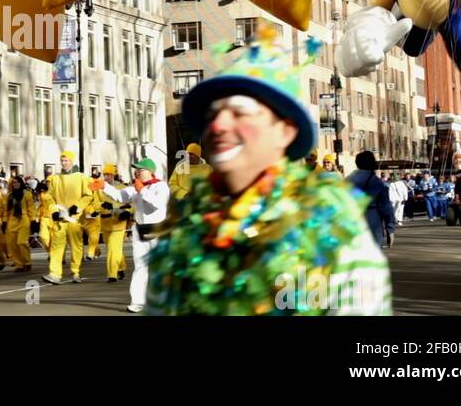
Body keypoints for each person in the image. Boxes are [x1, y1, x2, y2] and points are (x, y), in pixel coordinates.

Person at [147, 29, 391, 315]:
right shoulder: (186, 230)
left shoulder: (328, 230)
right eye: (213, 114)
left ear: (284, 131)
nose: (218, 125)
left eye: (240, 111)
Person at [102, 159, 169, 312]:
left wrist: (142, 191)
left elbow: (158, 204)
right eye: (136, 170)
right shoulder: (134, 187)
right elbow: (120, 196)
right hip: (140, 231)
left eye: (141, 169)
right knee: (140, 266)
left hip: (157, 230)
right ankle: (138, 301)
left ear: (151, 171)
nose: (137, 172)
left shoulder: (161, 186)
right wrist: (104, 186)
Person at [41, 151, 91, 285]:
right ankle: (55, 274)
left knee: (76, 246)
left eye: (66, 161)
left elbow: (88, 195)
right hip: (60, 218)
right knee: (56, 246)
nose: (64, 163)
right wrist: (53, 211)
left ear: (72, 162)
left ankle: (75, 272)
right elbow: (49, 197)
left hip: (75, 219)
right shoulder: (55, 179)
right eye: (62, 161)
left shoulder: (81, 177)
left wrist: (78, 207)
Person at [347, 152, 397, 249]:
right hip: (372, 221)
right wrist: (390, 229)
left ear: (357, 163)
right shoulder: (376, 182)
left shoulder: (346, 181)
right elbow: (386, 207)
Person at [97, 163, 131, 282]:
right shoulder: (99, 188)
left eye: (109, 174)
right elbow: (95, 203)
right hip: (105, 222)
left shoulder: (122, 188)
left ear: (114, 174)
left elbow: (129, 203)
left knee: (113, 248)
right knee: (113, 248)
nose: (106, 177)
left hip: (118, 222)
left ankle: (112, 274)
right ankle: (121, 266)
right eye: (105, 174)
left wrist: (125, 211)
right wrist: (99, 208)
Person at [4, 176, 35, 272]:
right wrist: (4, 222)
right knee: (13, 244)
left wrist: (33, 220)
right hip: (12, 220)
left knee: (22, 242)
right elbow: (6, 211)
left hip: (23, 219)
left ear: (21, 183)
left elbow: (31, 208)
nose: (15, 184)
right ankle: (19, 264)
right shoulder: (9, 196)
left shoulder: (27, 194)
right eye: (13, 182)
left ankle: (27, 262)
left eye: (17, 182)